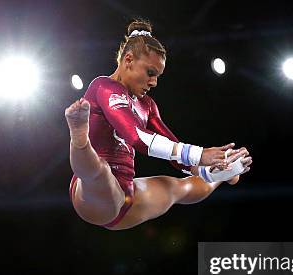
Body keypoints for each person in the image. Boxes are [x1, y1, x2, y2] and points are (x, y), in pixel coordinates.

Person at [65, 19, 252, 230]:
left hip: (126, 199)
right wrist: (200, 154)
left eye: (157, 76)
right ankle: (79, 137)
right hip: (93, 197)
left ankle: (218, 174)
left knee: (181, 188)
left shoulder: (147, 105)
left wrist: (214, 165)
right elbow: (135, 136)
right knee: (99, 171)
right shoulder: (104, 87)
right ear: (128, 60)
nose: (154, 82)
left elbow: (175, 152)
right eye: (150, 73)